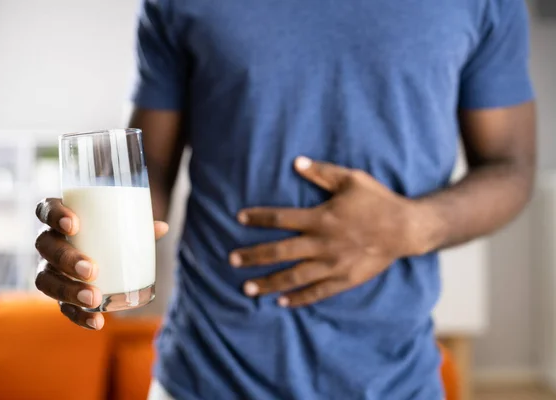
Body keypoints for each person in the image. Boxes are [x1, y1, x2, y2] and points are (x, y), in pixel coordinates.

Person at [34, 0, 537, 398]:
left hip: (391, 380)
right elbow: (154, 166)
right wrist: (96, 249)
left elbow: (511, 166)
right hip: (203, 376)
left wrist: (412, 226)